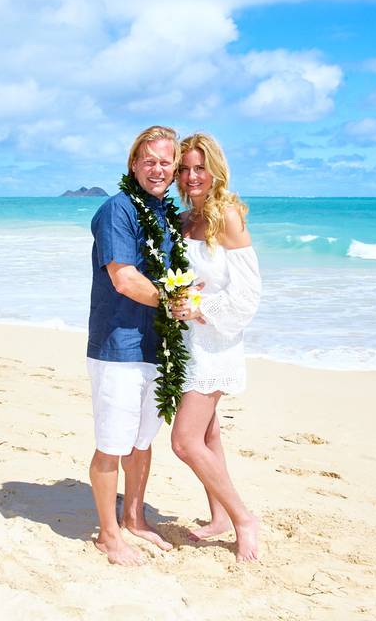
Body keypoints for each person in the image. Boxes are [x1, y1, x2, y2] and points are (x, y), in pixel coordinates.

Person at [87, 125, 181, 566]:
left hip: (157, 346)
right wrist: (176, 301)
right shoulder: (117, 210)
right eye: (149, 161)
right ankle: (109, 536)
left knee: (142, 441)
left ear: (176, 168)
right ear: (133, 165)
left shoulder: (167, 215)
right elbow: (124, 279)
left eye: (166, 162)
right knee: (112, 443)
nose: (157, 169)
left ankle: (134, 519)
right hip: (118, 344)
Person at [169, 132, 262, 562]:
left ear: (215, 170)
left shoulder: (227, 217)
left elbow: (248, 297)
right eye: (184, 168)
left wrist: (198, 306)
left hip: (214, 343)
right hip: (186, 342)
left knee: (185, 441)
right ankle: (219, 516)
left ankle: (243, 518)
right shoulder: (184, 221)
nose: (190, 176)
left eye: (199, 168)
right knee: (207, 433)